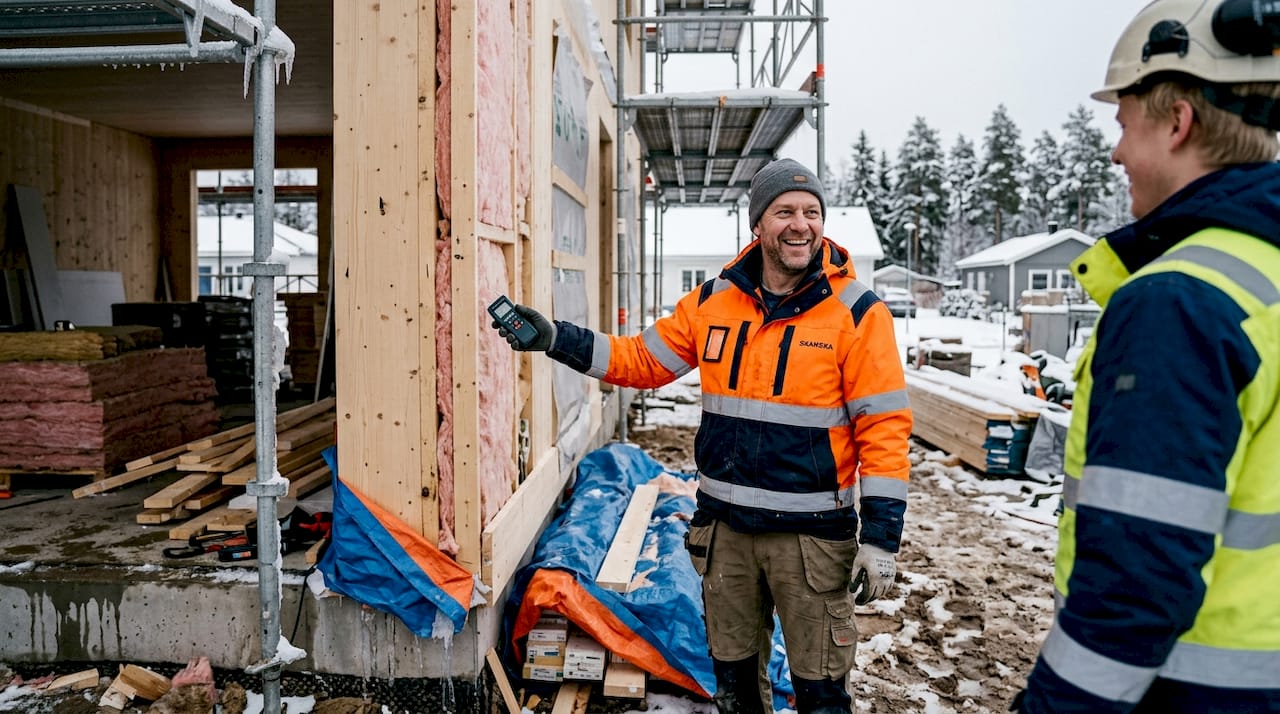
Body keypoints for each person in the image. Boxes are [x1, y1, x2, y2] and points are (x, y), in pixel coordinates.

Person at [492, 158, 912, 714]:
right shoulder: (715, 302)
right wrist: (556, 339)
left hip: (811, 543)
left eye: (812, 212)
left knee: (820, 692)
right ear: (758, 225)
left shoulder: (858, 313)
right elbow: (641, 360)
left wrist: (881, 538)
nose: (800, 224)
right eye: (784, 211)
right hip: (727, 535)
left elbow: (883, 427)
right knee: (734, 683)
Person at [1019, 1, 1280, 711]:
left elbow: (1134, 586)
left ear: (1177, 122)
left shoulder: (1183, 301)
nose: (1115, 152)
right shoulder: (1265, 277)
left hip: (1199, 692)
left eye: (1122, 124)